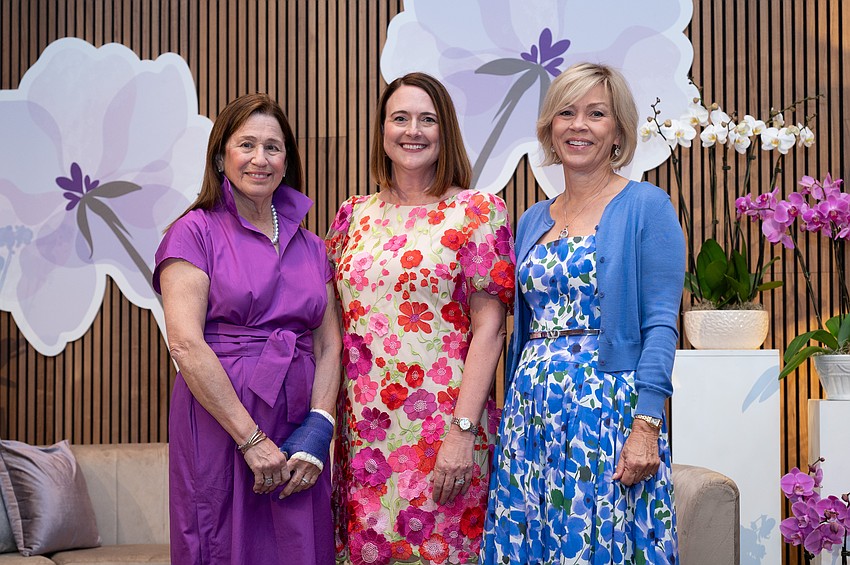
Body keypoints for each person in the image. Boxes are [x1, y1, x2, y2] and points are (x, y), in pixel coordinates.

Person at [481, 62, 683, 564]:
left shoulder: (646, 206)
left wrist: (646, 426)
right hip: (531, 412)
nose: (579, 125)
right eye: (566, 112)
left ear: (618, 130)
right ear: (550, 125)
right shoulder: (531, 219)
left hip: (607, 413)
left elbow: (661, 323)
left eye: (596, 113)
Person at [326, 72, 515, 564]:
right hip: (363, 439)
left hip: (442, 436)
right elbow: (331, 332)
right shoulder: (352, 215)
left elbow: (490, 330)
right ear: (383, 132)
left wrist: (461, 431)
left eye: (427, 119)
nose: (413, 130)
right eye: (400, 118)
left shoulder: (477, 211)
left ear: (445, 130)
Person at [153, 93, 341, 565]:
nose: (260, 159)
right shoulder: (192, 232)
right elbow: (185, 343)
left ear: (286, 161)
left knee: (301, 545)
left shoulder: (314, 245)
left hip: (298, 424)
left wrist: (319, 427)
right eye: (247, 145)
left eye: (273, 148)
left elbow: (329, 342)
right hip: (223, 423)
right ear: (221, 156)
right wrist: (251, 439)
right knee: (220, 541)